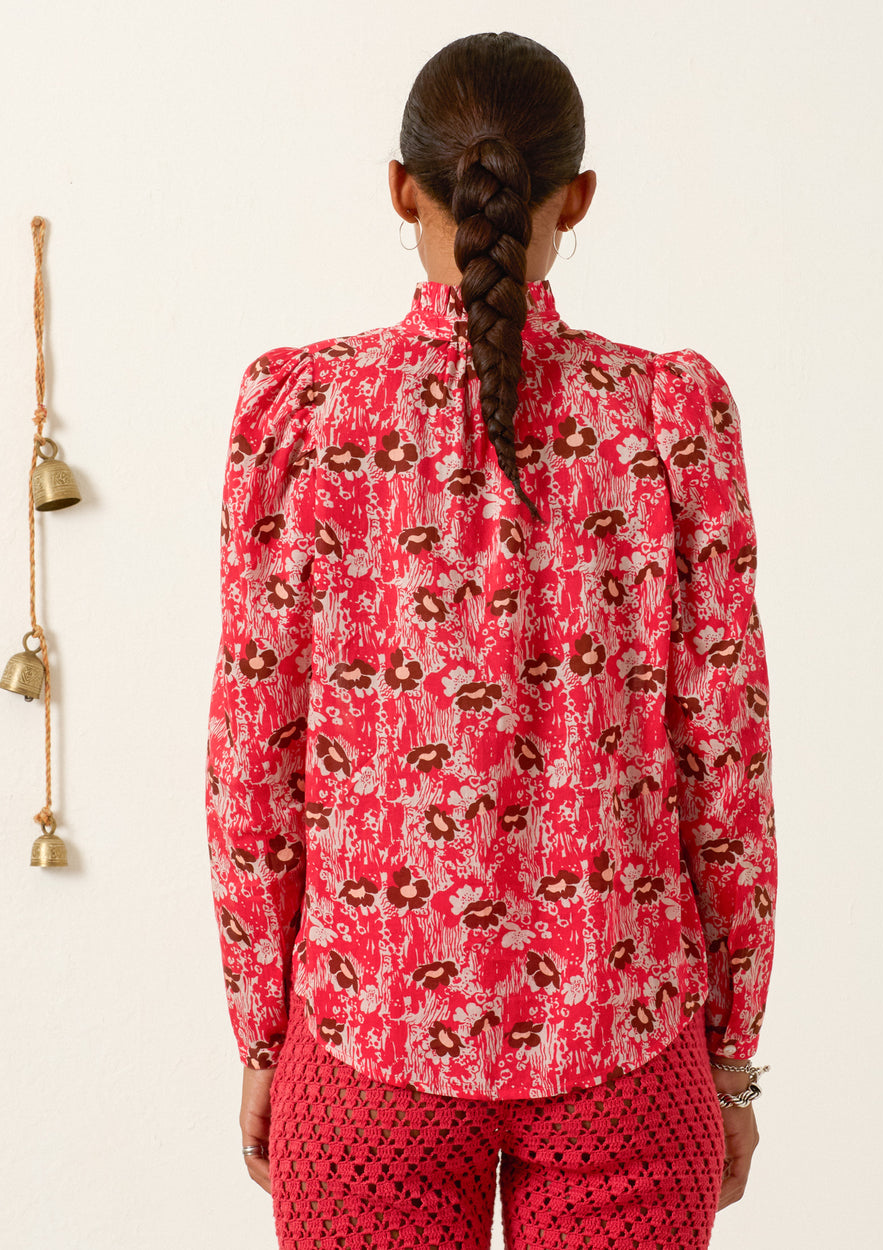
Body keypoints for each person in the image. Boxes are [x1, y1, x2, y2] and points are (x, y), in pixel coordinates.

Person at [205, 30, 777, 1250]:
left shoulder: (302, 415)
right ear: (578, 197)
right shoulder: (670, 418)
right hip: (627, 1037)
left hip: (368, 1046)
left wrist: (265, 1030)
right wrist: (728, 1059)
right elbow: (723, 757)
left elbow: (255, 754)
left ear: (400, 187)